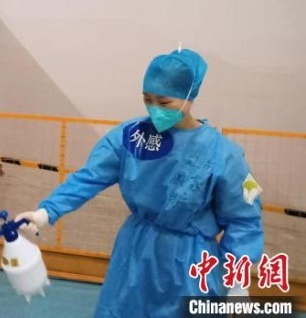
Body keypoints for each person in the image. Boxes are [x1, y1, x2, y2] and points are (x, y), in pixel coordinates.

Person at [16, 48, 264, 318]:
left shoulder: (223, 154)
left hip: (190, 263)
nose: (155, 109)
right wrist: (46, 212)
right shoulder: (132, 137)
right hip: (135, 253)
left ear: (189, 96)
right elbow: (89, 177)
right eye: (147, 99)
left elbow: (244, 219)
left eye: (164, 101)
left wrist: (237, 283)